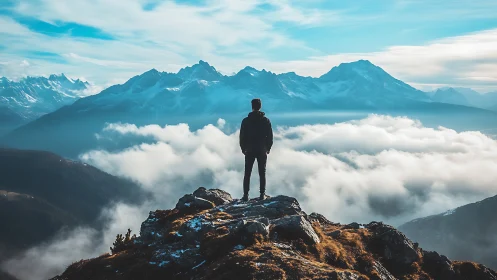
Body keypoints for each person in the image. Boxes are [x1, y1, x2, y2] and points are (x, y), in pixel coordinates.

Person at [239, 98, 273, 201]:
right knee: (262, 172)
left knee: (247, 173)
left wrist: (243, 148)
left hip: (249, 150)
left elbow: (242, 136)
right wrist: (268, 148)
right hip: (262, 149)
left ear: (252, 106)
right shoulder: (266, 120)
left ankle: (245, 195)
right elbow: (270, 136)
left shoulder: (246, 121)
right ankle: (262, 194)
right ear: (260, 106)